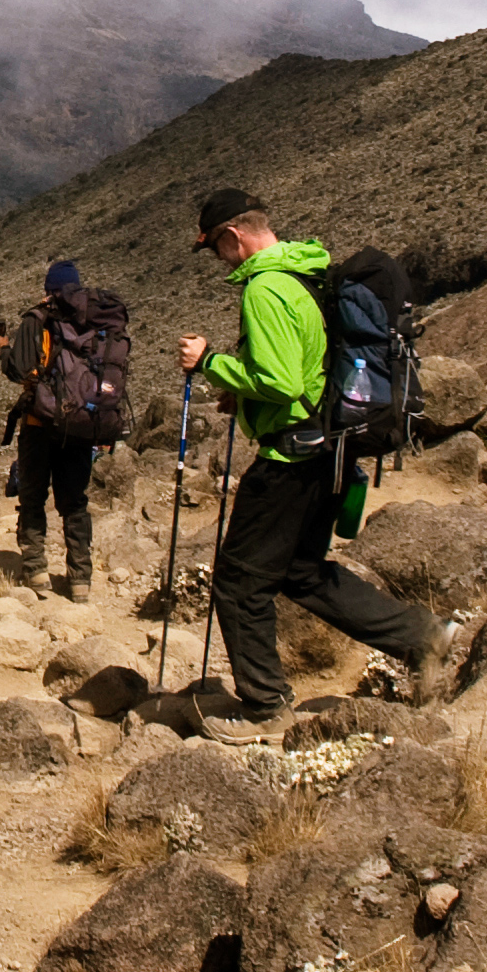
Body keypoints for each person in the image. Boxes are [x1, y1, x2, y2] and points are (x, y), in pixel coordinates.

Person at [178, 188, 440, 719]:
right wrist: (243, 392)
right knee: (301, 572)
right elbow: (308, 368)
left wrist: (210, 363)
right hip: (329, 448)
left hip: (288, 461)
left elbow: (279, 380)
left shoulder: (265, 289)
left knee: (239, 582)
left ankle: (265, 707)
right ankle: (424, 638)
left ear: (233, 237)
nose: (217, 260)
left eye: (215, 249)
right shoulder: (306, 272)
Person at [0, 261, 104, 598]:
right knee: (74, 502)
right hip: (81, 423)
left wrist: (1, 348)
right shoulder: (94, 319)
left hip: (40, 421)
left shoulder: (37, 319)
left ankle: (36, 571)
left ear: (48, 289)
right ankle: (80, 580)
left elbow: (19, 370)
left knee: (33, 496)